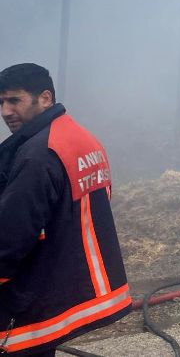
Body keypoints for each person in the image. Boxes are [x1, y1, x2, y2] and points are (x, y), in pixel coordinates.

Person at [0, 63, 131, 356]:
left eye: (14, 100)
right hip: (71, 279)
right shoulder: (80, 137)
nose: (6, 111)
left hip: (37, 290)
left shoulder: (38, 155)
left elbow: (9, 237)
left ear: (45, 98)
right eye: (1, 102)